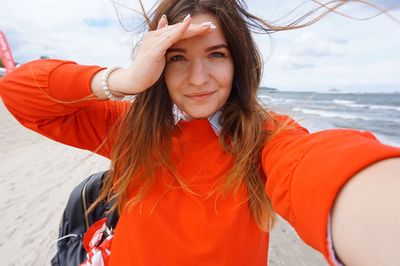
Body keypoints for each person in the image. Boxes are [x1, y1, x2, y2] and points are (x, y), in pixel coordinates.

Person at [0, 0, 399, 265]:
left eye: (216, 55)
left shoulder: (262, 137)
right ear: (157, 65)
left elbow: (317, 165)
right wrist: (124, 78)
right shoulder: (130, 127)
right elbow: (18, 90)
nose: (198, 78)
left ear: (238, 62)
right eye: (177, 59)